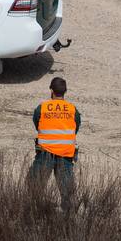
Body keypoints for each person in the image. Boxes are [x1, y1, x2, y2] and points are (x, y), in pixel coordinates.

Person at [30, 76, 79, 211]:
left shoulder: (42, 108)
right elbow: (76, 128)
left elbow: (37, 124)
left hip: (45, 153)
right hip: (65, 154)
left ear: (51, 90)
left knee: (34, 188)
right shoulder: (72, 109)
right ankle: (68, 217)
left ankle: (35, 214)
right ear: (65, 92)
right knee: (67, 193)